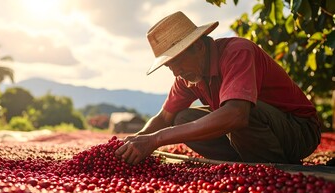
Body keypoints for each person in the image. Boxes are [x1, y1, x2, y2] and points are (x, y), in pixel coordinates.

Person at [115, 11, 321, 165]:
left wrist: (156, 140)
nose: (176, 72)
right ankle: (245, 161)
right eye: (170, 66)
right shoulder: (187, 76)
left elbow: (237, 115)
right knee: (183, 117)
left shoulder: (237, 52)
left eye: (177, 62)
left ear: (198, 46)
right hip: (256, 131)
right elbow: (165, 118)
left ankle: (271, 164)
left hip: (299, 130)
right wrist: (137, 139)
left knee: (242, 111)